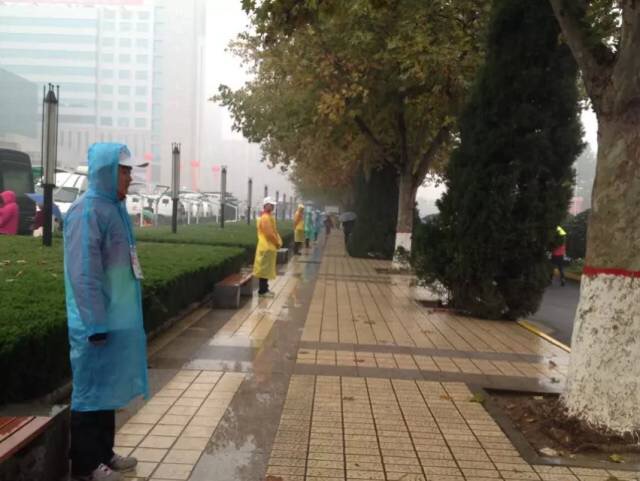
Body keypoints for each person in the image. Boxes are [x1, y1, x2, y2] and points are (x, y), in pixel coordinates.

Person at [63, 143, 149, 481]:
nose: (129, 177)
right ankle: (85, 465)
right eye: (124, 171)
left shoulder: (114, 208)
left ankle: (105, 453)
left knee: (106, 389)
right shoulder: (86, 212)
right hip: (93, 324)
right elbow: (84, 273)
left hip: (113, 318)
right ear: (107, 172)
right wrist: (95, 323)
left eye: (129, 171)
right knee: (89, 392)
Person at [253, 197, 282, 297]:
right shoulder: (265, 218)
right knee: (264, 270)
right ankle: (262, 291)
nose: (272, 206)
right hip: (266, 246)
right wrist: (277, 243)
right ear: (265, 205)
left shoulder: (267, 216)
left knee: (265, 269)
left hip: (268, 246)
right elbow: (269, 233)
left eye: (273, 205)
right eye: (271, 204)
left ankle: (265, 289)